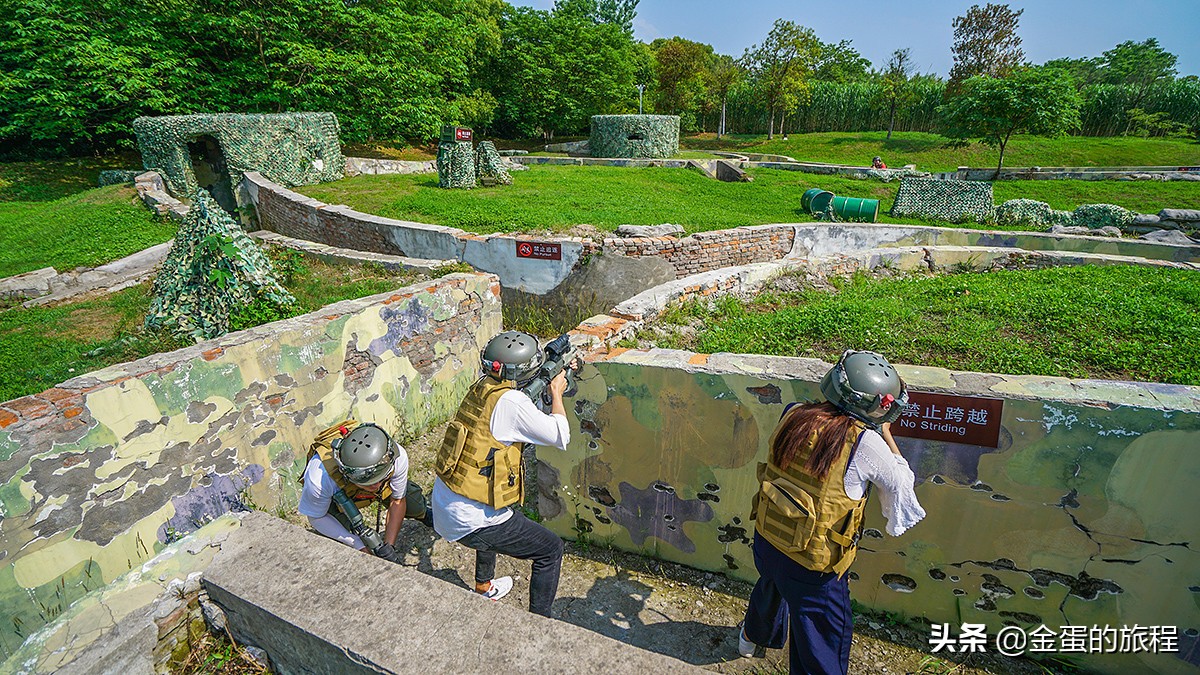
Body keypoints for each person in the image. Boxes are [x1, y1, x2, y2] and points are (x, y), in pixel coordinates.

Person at [738, 350, 926, 674]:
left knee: (772, 585)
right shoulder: (866, 443)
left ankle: (750, 637)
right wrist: (888, 437)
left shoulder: (795, 413)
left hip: (769, 539)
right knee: (821, 644)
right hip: (813, 566)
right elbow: (902, 487)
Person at [432, 330, 575, 616]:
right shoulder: (513, 403)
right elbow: (561, 435)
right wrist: (556, 391)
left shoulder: (483, 386)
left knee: (502, 508)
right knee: (550, 549)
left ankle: (484, 587)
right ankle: (538, 623)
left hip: (444, 503)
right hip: (470, 520)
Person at [299, 421, 432, 563]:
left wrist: (388, 546)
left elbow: (398, 501)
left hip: (371, 481)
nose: (376, 485)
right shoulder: (319, 478)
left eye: (381, 479)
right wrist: (357, 544)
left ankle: (424, 515)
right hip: (340, 496)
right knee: (339, 533)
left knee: (413, 503)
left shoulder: (396, 456)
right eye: (369, 483)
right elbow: (316, 517)